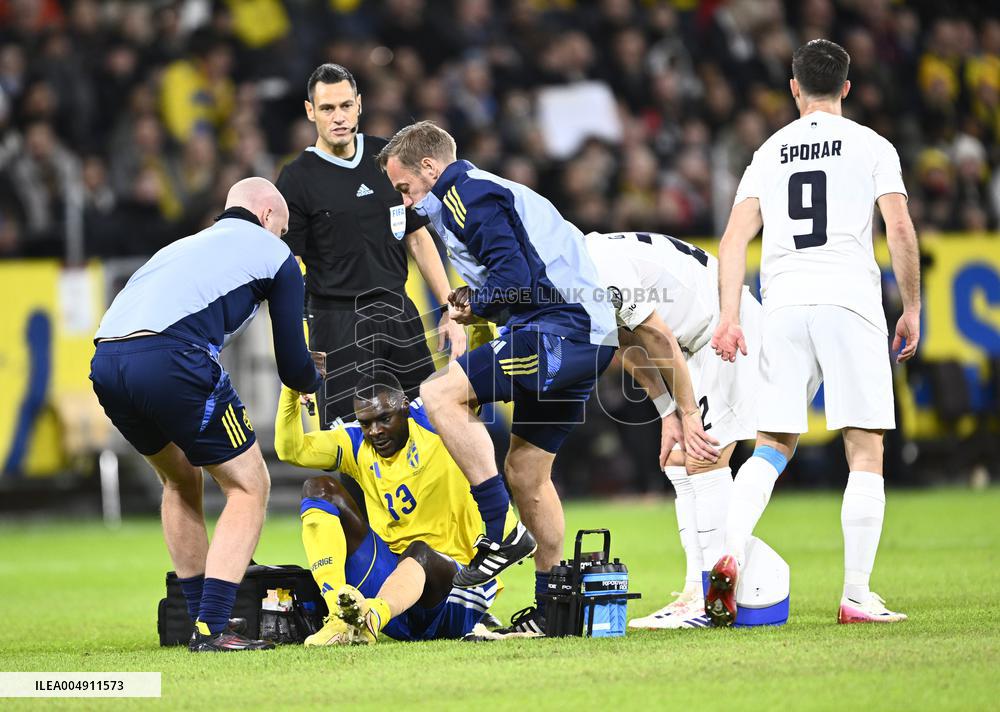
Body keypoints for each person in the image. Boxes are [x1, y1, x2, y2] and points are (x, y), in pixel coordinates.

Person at [706, 39, 921, 626]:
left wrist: (729, 316)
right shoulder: (872, 145)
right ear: (846, 87)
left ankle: (728, 553)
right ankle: (856, 594)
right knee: (865, 447)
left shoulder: (768, 151)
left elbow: (732, 240)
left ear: (794, 88)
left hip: (783, 306)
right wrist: (912, 308)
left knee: (771, 445)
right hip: (849, 302)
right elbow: (899, 227)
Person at [377, 121, 618, 637]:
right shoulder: (480, 192)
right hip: (582, 333)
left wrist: (472, 304)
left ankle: (499, 529)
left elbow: (515, 280)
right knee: (527, 471)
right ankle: (553, 612)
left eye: (405, 187)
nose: (405, 199)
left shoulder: (466, 194)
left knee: (438, 393)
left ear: (429, 168)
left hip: (560, 329)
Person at [90, 177, 326, 652]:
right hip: (172, 359)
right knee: (249, 485)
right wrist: (312, 378)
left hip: (107, 361)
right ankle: (213, 627)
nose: (282, 238)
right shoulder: (275, 253)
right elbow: (293, 363)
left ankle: (195, 622)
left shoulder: (183, 246)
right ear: (267, 216)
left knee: (180, 479)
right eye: (281, 229)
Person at [583, 230, 762, 630]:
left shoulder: (596, 266)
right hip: (692, 344)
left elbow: (657, 336)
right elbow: (625, 342)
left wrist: (689, 412)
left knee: (704, 457)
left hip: (722, 329)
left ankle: (712, 599)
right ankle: (694, 592)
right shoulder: (582, 263)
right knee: (679, 461)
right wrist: (668, 412)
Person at [275, 64, 465, 429]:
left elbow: (417, 237)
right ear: (310, 111)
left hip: (398, 312)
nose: (339, 117)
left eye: (346, 105)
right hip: (336, 324)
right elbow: (291, 268)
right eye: (328, 108)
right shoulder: (296, 179)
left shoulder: (387, 159)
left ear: (359, 104)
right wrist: (297, 350)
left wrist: (448, 308)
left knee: (428, 425)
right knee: (349, 437)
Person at [274, 369, 510, 644]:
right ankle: (340, 615)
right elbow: (291, 450)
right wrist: (291, 389)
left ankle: (371, 617)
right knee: (318, 489)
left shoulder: (436, 419)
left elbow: (480, 376)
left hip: (453, 593)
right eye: (366, 423)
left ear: (405, 407)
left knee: (419, 551)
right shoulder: (356, 442)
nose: (375, 431)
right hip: (392, 587)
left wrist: (473, 338)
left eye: (384, 419)